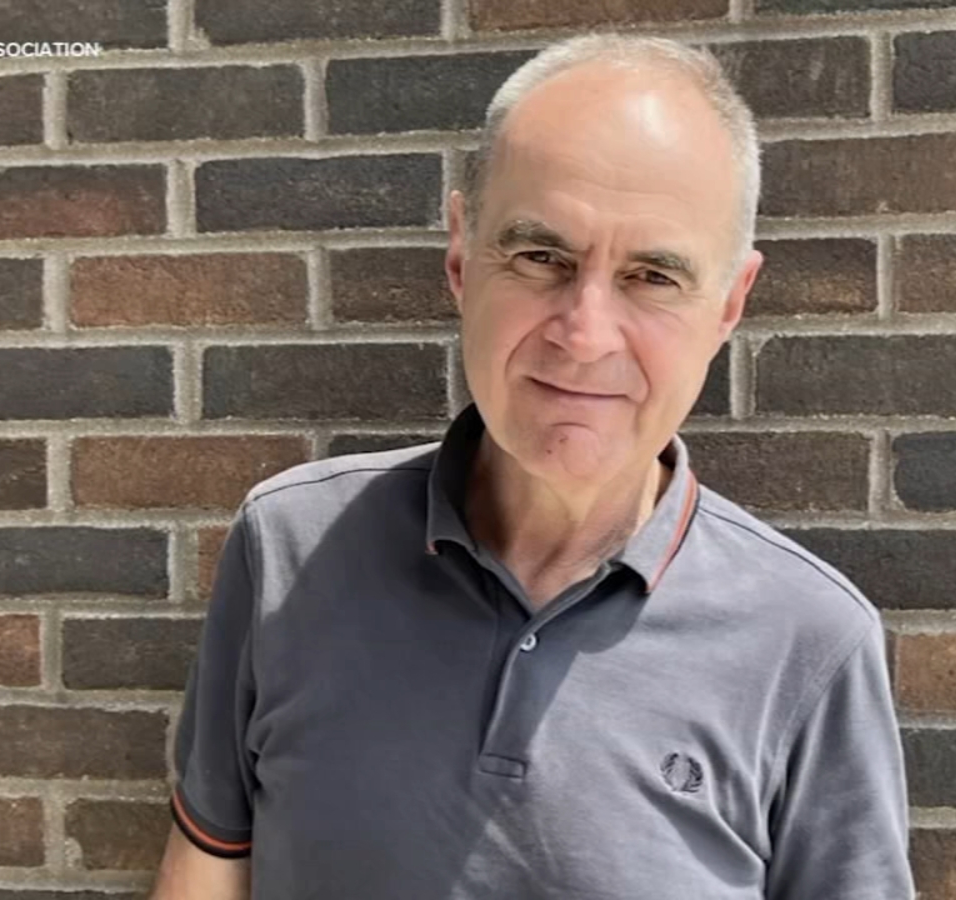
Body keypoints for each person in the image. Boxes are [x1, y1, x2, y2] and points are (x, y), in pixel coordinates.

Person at [150, 33, 913, 900]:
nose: (584, 335)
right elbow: (208, 869)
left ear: (730, 303)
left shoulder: (810, 641)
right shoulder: (290, 547)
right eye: (542, 257)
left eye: (654, 276)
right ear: (459, 256)